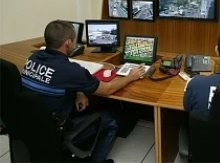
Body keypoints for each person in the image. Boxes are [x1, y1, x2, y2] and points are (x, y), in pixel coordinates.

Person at [21, 20, 145, 163]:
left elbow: (55, 81)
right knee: (111, 119)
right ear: (68, 43)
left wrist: (79, 92)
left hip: (30, 124)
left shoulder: (33, 58)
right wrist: (131, 76)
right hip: (56, 131)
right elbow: (108, 89)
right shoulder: (71, 70)